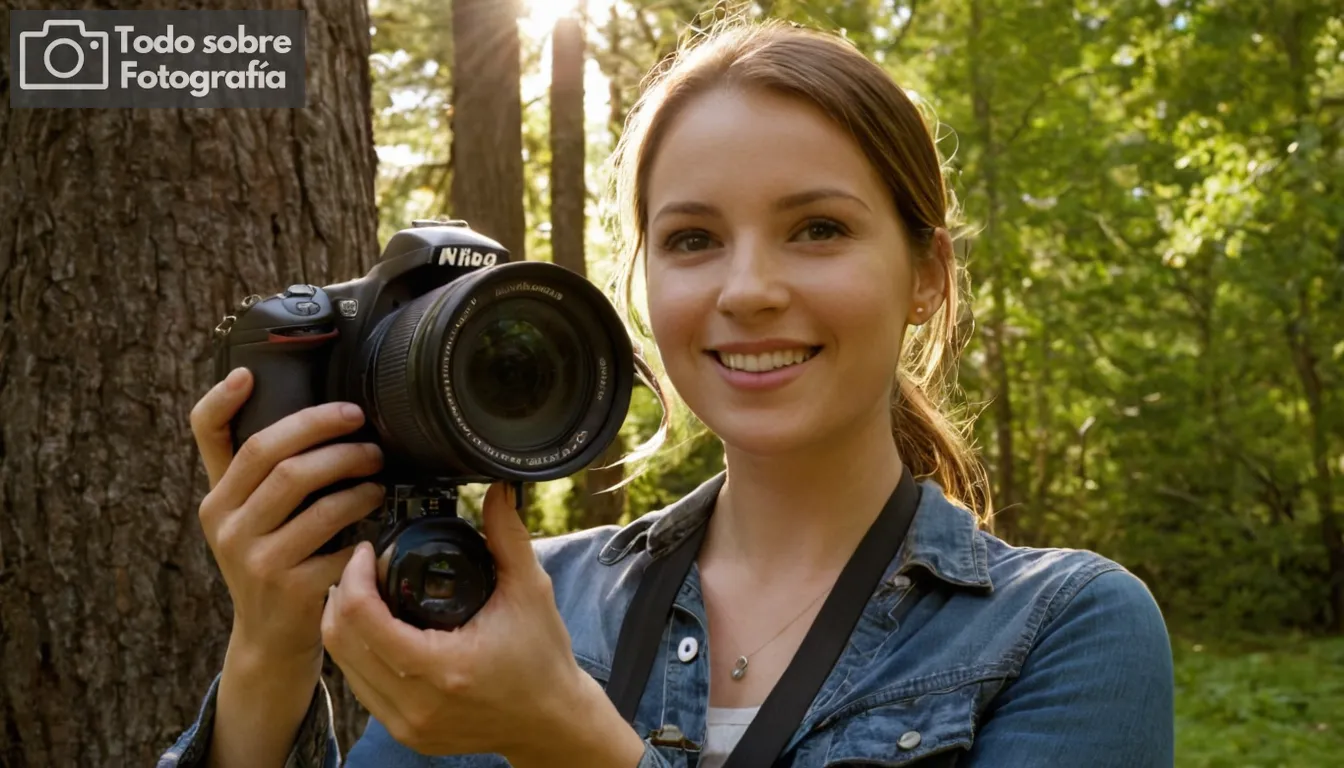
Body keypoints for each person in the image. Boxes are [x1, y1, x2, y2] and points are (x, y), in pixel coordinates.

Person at [159, 18, 1174, 768]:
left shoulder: (1064, 629)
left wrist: (570, 741)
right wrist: (269, 653)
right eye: (692, 240)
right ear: (647, 288)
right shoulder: (512, 606)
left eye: (817, 227)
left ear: (927, 277)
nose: (748, 289)